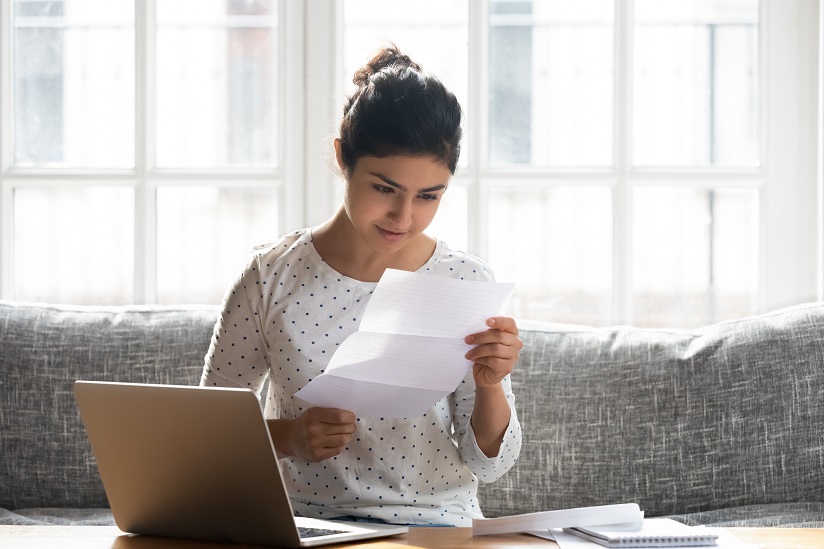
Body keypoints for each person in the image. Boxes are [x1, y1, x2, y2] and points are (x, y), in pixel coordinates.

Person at [200, 44, 523, 526]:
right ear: (341, 158)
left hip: (435, 528)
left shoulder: (464, 280)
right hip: (308, 526)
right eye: (384, 188)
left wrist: (491, 386)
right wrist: (287, 438)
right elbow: (205, 435)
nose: (404, 217)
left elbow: (490, 465)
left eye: (428, 196)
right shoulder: (270, 276)